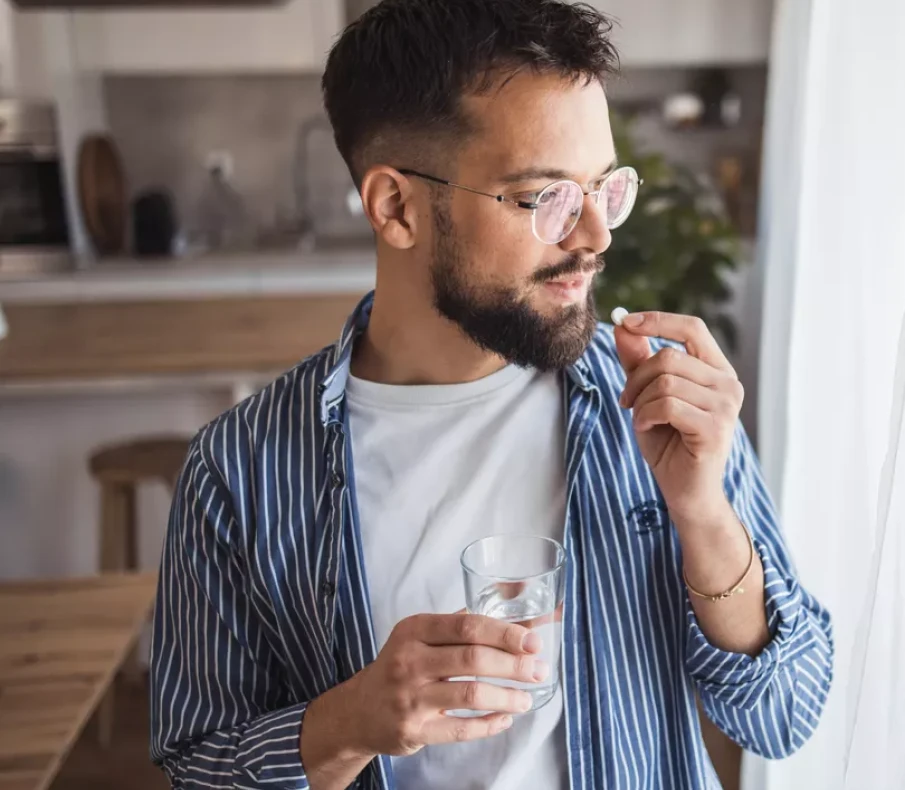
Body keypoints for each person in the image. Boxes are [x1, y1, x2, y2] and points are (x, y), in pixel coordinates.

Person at [148, 1, 833, 787]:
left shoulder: (657, 403)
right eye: (546, 198)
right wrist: (352, 719)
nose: (595, 237)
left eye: (604, 188)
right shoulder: (241, 471)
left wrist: (705, 514)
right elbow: (197, 766)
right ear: (397, 207)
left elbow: (786, 711)